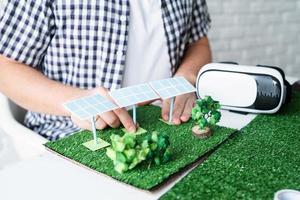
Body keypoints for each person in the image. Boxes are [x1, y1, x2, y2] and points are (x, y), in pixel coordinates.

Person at [0, 0, 212, 141]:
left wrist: (186, 78)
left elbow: (198, 42)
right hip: (68, 133)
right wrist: (78, 102)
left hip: (168, 126)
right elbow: (5, 68)